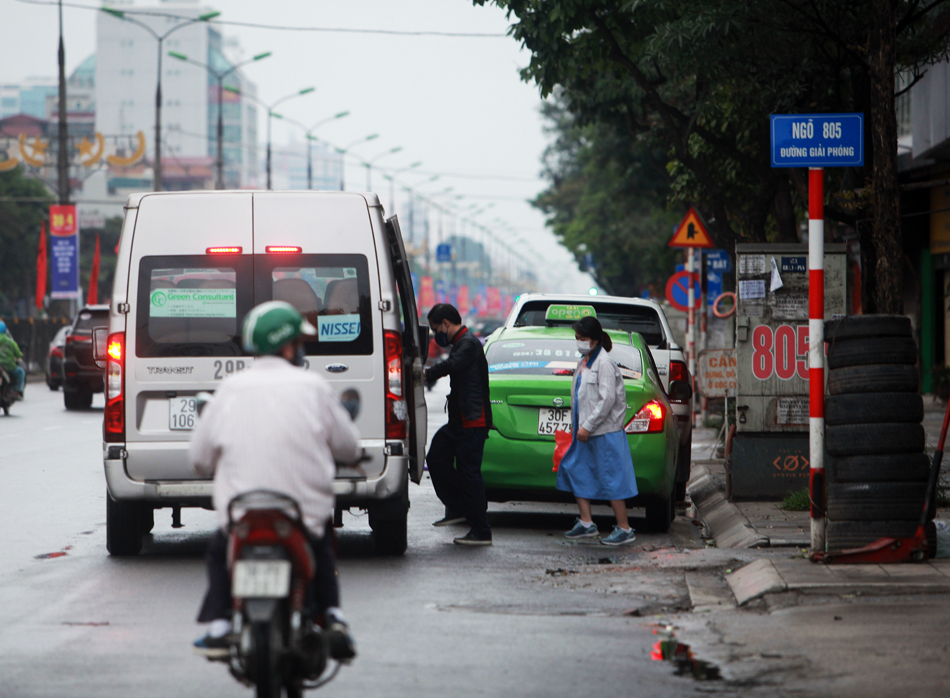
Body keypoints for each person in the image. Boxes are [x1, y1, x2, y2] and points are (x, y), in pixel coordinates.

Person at [189, 301, 360, 659]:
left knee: (220, 549)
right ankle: (332, 615)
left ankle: (220, 624)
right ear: (287, 346)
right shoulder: (313, 386)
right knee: (323, 545)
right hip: (301, 514)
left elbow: (199, 460)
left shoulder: (230, 389)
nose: (301, 348)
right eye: (299, 342)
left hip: (241, 514)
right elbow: (347, 446)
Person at [556, 316, 638, 546]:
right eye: (577, 338)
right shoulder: (584, 361)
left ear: (595, 340)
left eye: (582, 338)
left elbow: (607, 400)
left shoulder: (604, 363)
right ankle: (586, 523)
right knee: (577, 470)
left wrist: (588, 425)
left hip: (604, 431)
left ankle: (624, 528)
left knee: (611, 479)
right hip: (584, 431)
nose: (579, 342)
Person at [424, 303, 494, 546]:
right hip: (459, 421)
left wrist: (424, 375)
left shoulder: (469, 344)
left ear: (445, 323)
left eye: (435, 329)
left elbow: (450, 366)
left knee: (469, 474)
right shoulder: (461, 343)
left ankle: (481, 530)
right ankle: (458, 507)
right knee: (436, 456)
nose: (436, 334)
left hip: (472, 420)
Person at [0, 321, 25, 400]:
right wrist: (20, 355)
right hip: (8, 366)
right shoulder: (10, 342)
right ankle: (16, 392)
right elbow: (18, 354)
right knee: (21, 372)